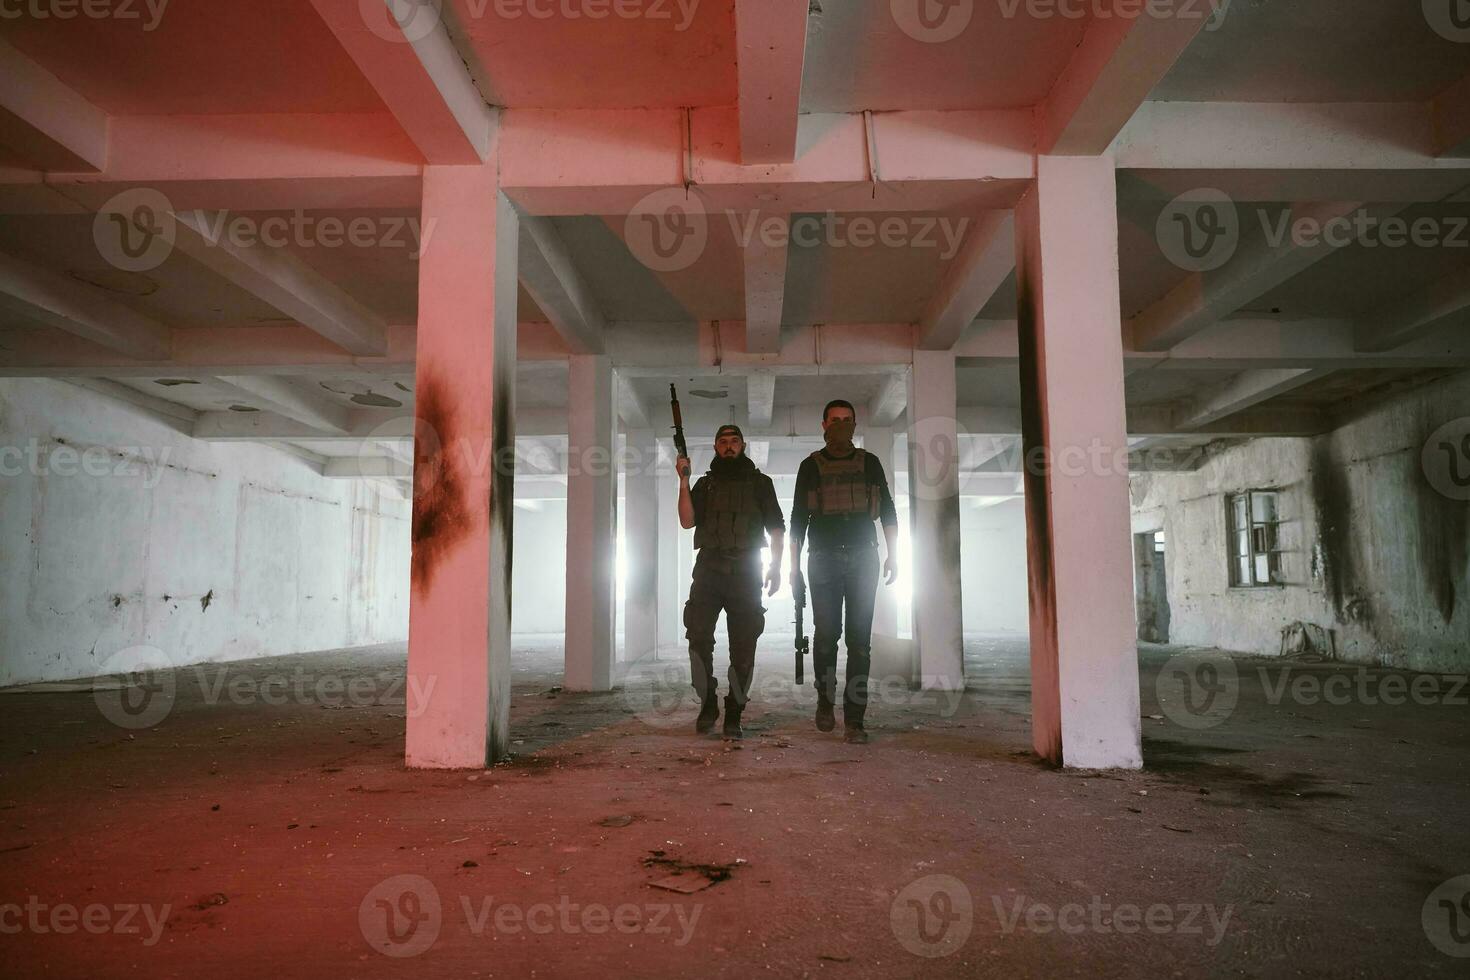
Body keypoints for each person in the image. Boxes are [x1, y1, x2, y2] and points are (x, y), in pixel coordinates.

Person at [788, 400, 899, 743]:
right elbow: (797, 520)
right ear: (823, 425)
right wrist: (793, 568)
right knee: (825, 637)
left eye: (846, 420)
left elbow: (889, 513)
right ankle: (825, 703)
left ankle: (855, 721)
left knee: (859, 644)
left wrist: (895, 555)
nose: (840, 425)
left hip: (865, 557)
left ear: (855, 424)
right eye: (834, 420)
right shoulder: (810, 466)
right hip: (822, 558)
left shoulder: (870, 463)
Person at [677, 423, 785, 739]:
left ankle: (734, 713)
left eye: (734, 441)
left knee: (743, 648)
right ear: (715, 447)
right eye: (722, 441)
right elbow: (687, 521)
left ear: (742, 446)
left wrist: (776, 567)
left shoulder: (760, 483)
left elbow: (776, 528)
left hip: (747, 572)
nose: (728, 446)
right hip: (709, 569)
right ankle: (707, 701)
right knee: (697, 638)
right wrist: (683, 480)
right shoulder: (705, 485)